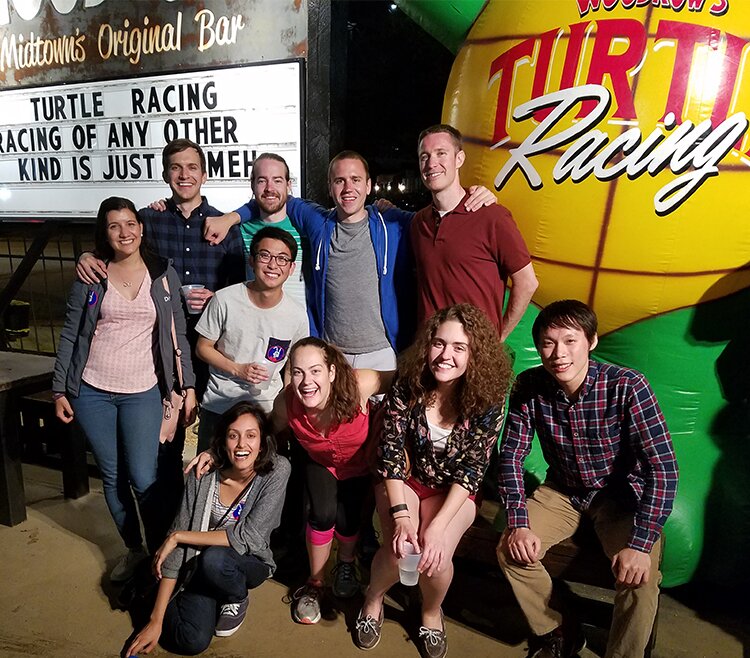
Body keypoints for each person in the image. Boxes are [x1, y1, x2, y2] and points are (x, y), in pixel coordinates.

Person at [75, 139, 246, 525]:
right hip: (158, 354)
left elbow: (239, 294)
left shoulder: (222, 225)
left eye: (191, 167)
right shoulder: (149, 221)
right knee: (162, 444)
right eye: (175, 168)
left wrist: (215, 296)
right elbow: (114, 249)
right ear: (165, 173)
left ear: (205, 173)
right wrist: (86, 257)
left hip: (209, 347)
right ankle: (168, 523)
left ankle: (212, 518)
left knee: (216, 435)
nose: (184, 175)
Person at [496, 300, 679, 658]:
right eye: (548, 343)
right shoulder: (530, 385)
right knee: (510, 549)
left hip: (621, 497)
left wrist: (640, 546)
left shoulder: (627, 386)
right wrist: (518, 522)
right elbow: (511, 456)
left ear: (591, 341)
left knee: (640, 581)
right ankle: (559, 630)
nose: (558, 353)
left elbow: (664, 467)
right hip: (562, 490)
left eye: (569, 341)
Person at [201, 151, 497, 369]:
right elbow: (270, 196)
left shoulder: (392, 224)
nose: (348, 188)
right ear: (330, 188)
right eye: (339, 181)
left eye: (356, 180)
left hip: (383, 352)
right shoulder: (318, 222)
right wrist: (230, 218)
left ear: (369, 186)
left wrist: (475, 196)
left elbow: (440, 215)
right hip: (331, 354)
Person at [52, 196, 196, 582]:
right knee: (112, 476)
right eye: (115, 226)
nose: (124, 232)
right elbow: (71, 333)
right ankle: (135, 550)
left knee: (144, 475)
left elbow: (177, 333)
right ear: (105, 232)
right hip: (92, 390)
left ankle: (161, 552)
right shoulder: (92, 276)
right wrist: (60, 389)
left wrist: (188, 386)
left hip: (144, 389)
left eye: (130, 223)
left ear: (142, 228)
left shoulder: (162, 274)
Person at [356, 304, 511, 658]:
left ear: (475, 353)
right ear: (427, 345)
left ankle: (430, 612)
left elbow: (473, 468)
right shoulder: (408, 384)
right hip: (405, 480)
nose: (446, 355)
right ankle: (374, 598)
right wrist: (402, 517)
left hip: (455, 491)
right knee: (401, 548)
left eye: (459, 347)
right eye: (439, 344)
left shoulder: (489, 398)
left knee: (435, 557)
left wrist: (439, 526)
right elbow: (391, 453)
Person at [125, 402, 291, 656]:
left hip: (246, 563)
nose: (241, 444)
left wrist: (179, 536)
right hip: (196, 564)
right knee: (192, 640)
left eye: (251, 435)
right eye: (233, 435)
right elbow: (179, 547)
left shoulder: (276, 471)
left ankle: (235, 598)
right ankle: (149, 588)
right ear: (223, 440)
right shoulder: (202, 473)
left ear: (263, 441)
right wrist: (156, 620)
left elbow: (250, 536)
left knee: (215, 560)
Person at [277, 337, 394, 623]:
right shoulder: (286, 403)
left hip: (361, 464)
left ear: (331, 372)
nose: (306, 381)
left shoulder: (360, 384)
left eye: (315, 371)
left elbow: (403, 379)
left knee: (349, 520)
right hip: (321, 463)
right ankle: (315, 583)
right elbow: (262, 430)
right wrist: (218, 454)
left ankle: (345, 564)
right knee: (322, 514)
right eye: (298, 372)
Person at [411, 124, 538, 340]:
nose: (432, 163)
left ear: (459, 159)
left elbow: (527, 282)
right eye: (425, 156)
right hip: (432, 353)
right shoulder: (419, 222)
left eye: (441, 153)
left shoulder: (492, 216)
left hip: (477, 352)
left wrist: (498, 337)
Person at [195, 225, 309, 452]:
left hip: (266, 409)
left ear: (291, 268)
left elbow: (293, 365)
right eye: (265, 255)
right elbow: (202, 347)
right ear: (252, 260)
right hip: (221, 404)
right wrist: (237, 369)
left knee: (265, 480)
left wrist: (286, 406)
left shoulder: (296, 314)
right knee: (209, 476)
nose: (273, 265)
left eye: (282, 259)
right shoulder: (224, 299)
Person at [237, 152, 308, 308]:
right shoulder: (239, 231)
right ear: (252, 185)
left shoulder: (305, 229)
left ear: (288, 185)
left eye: (277, 180)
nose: (270, 188)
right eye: (262, 181)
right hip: (255, 324)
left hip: (300, 328)